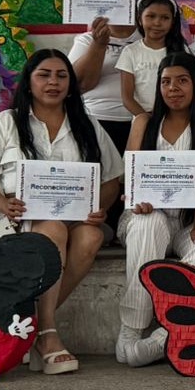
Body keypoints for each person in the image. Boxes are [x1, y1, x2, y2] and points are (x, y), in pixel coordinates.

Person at [0, 49, 124, 375]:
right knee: (53, 229)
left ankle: (31, 326)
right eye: (44, 75)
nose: (53, 82)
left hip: (75, 219)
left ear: (70, 85)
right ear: (29, 82)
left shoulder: (88, 125)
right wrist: (4, 205)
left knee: (92, 236)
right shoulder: (7, 122)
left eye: (61, 76)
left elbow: (112, 180)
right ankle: (48, 334)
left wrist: (100, 207)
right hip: (20, 222)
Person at [117, 52, 195, 367]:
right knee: (149, 223)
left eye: (182, 81)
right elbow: (130, 174)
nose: (173, 88)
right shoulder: (144, 122)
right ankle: (132, 328)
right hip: (145, 215)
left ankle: (166, 334)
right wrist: (137, 199)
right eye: (165, 82)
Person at [68, 13, 138, 235]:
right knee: (101, 175)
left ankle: (133, 226)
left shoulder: (151, 36)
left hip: (141, 119)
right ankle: (98, 222)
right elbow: (78, 84)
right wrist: (99, 45)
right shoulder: (86, 40)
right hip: (96, 118)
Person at [117, 0, 189, 120]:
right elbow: (127, 98)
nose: (157, 23)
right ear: (140, 19)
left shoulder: (182, 51)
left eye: (165, 18)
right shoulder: (130, 52)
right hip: (143, 119)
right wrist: (148, 120)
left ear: (173, 22)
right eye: (151, 16)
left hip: (176, 120)